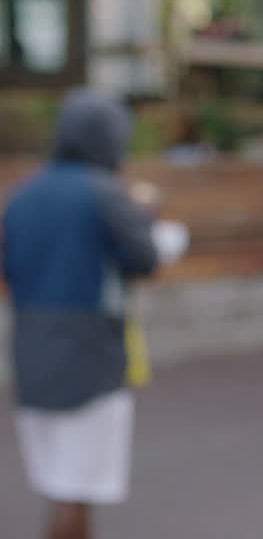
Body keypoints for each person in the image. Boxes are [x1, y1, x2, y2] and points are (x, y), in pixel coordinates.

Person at [3, 88, 159, 539]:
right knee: (76, 489)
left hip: (31, 351)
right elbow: (143, 258)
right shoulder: (105, 192)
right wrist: (146, 212)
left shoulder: (22, 195)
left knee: (57, 483)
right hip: (89, 358)